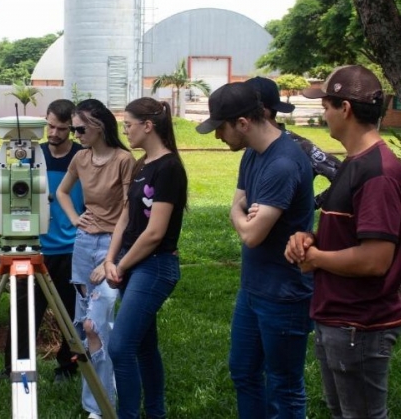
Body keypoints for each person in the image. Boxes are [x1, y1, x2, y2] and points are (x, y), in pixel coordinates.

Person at [285, 65, 401, 418]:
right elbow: (351, 231)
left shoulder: (378, 172)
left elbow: (375, 259)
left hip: (359, 326)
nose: (324, 113)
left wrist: (317, 258)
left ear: (345, 109)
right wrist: (310, 238)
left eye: (326, 105)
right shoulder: (355, 162)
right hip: (337, 319)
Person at [196, 82, 314, 418]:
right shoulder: (251, 154)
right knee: (244, 372)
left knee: (284, 386)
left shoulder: (283, 164)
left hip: (284, 295)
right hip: (253, 288)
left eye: (221, 128)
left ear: (243, 123)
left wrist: (237, 213)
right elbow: (240, 204)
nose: (218, 137)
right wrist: (239, 211)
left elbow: (251, 234)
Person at [0, 99, 85, 384]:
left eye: (62, 129)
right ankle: (13, 369)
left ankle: (67, 366)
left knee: (70, 312)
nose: (54, 133)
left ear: (72, 129)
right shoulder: (31, 154)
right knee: (23, 312)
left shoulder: (80, 157)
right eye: (50, 126)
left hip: (70, 247)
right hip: (33, 246)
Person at [105, 97, 187, 419]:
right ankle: (155, 413)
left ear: (148, 126)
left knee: (120, 346)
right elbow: (125, 218)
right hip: (131, 263)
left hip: (155, 266)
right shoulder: (142, 165)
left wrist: (120, 267)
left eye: (128, 125)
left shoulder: (169, 168)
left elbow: (155, 233)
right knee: (142, 346)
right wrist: (111, 259)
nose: (125, 131)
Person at [56, 98, 135, 419]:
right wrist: (76, 219)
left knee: (95, 326)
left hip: (112, 246)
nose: (75, 134)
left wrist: (111, 258)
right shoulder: (80, 158)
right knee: (84, 328)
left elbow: (130, 212)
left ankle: (100, 407)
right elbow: (62, 192)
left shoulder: (124, 160)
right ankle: (102, 394)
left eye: (79, 128)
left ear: (99, 125)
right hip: (84, 245)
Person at [245, 76, 341, 208]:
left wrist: (312, 203)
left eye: (243, 110)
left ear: (263, 112)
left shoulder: (299, 146)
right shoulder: (252, 148)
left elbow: (341, 176)